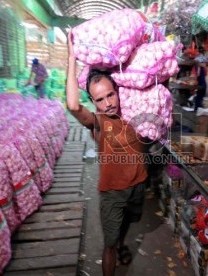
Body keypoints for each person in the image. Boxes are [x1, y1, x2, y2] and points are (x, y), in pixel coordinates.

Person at [66, 33, 147, 276]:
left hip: (139, 184)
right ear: (93, 102)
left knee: (127, 224)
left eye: (110, 95)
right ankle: (115, 249)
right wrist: (71, 57)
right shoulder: (98, 122)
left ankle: (122, 242)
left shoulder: (135, 109)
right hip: (112, 192)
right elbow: (72, 106)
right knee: (108, 244)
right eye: (100, 99)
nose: (108, 103)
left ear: (118, 90)